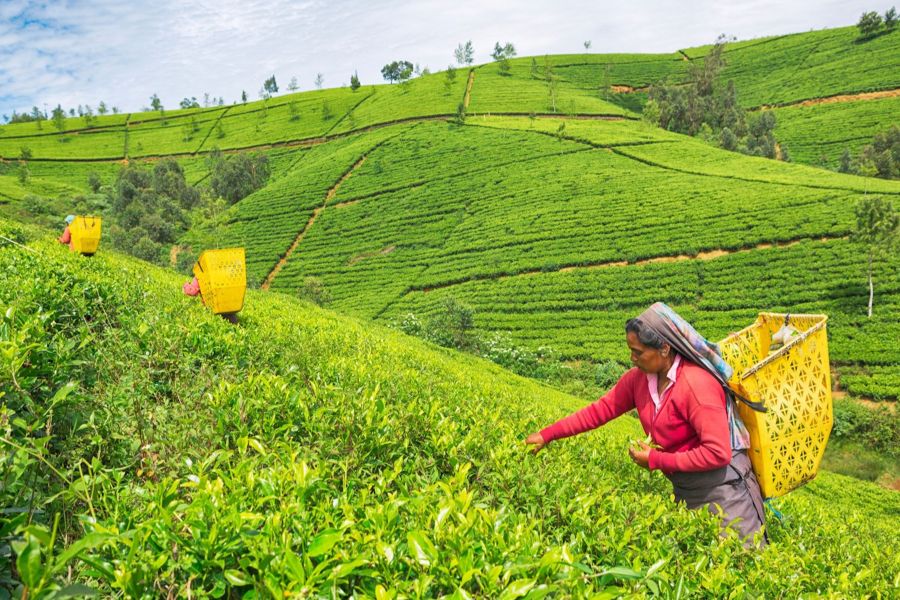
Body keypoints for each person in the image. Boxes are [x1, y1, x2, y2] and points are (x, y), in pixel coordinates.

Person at [525, 302, 766, 547]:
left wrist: (655, 460)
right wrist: (547, 435)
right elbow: (599, 411)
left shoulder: (696, 385)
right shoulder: (639, 380)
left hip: (726, 492)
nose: (632, 358)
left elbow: (718, 453)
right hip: (685, 488)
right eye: (631, 350)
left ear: (664, 348)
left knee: (740, 559)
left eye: (638, 352)